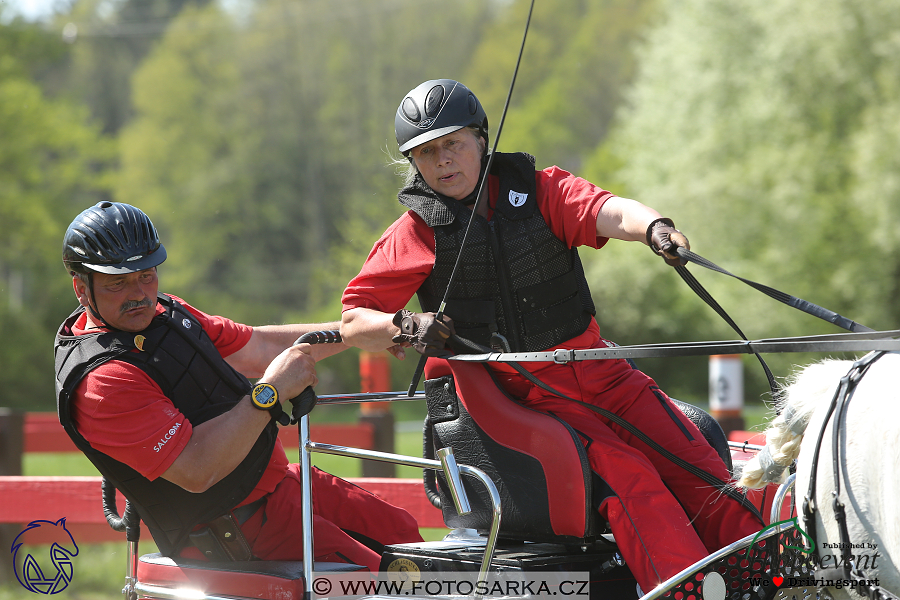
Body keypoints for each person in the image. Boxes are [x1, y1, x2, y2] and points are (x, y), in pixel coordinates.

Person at [340, 79, 763, 591]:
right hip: (521, 400)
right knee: (632, 481)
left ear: (481, 139)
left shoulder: (542, 190)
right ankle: (692, 593)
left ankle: (769, 580)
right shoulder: (415, 231)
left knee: (699, 468)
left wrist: (655, 228)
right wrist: (405, 325)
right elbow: (354, 319)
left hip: (602, 376)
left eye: (453, 143)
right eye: (427, 152)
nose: (443, 160)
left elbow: (611, 211)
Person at [54, 201, 422, 571]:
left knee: (409, 540)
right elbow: (197, 469)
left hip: (281, 485)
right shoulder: (102, 381)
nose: (139, 293)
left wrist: (362, 331)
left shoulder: (166, 312)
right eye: (118, 283)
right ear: (81, 289)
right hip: (236, 529)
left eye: (146, 275)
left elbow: (257, 346)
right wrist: (271, 392)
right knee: (385, 580)